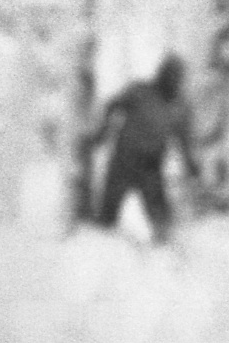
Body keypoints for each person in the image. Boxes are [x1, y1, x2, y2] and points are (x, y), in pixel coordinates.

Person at [82, 54, 200, 243]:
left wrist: (191, 165)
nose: (173, 80)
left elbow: (184, 140)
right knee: (106, 218)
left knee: (162, 220)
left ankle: (165, 249)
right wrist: (101, 134)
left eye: (177, 77)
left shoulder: (179, 106)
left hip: (151, 166)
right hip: (124, 161)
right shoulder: (140, 91)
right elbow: (113, 105)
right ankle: (96, 244)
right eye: (170, 75)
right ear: (161, 74)